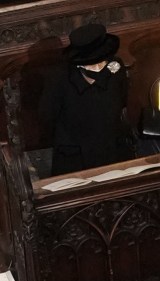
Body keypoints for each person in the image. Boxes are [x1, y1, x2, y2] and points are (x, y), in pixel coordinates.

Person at [40, 23, 135, 176]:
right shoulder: (59, 78)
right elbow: (47, 116)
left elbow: (123, 100)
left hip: (114, 151)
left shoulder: (116, 67)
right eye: (93, 62)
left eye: (101, 61)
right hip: (75, 159)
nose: (98, 66)